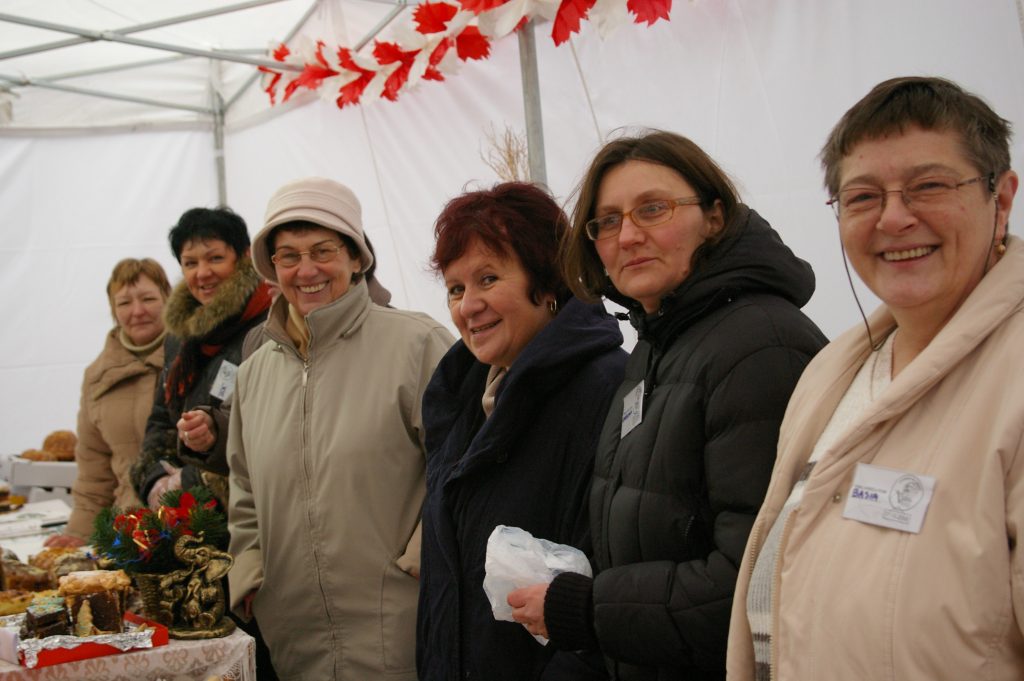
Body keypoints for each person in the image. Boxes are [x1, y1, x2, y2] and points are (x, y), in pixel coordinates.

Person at [727, 76, 1024, 679]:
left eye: (930, 186)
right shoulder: (830, 375)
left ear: (1003, 197)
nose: (894, 218)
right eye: (862, 198)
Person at [508, 130, 827, 680]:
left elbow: (760, 577)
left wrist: (584, 609)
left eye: (652, 209)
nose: (627, 235)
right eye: (607, 221)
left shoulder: (759, 346)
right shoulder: (660, 343)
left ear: (715, 216)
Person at [226, 177, 454, 680]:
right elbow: (244, 488)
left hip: (399, 626)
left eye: (323, 250)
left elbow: (461, 464)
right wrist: (251, 575)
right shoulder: (255, 373)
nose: (306, 270)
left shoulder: (416, 345)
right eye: (288, 256)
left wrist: (418, 562)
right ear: (273, 270)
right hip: (293, 635)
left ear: (356, 259)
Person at [416, 183, 628, 680]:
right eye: (455, 288)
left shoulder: (604, 389)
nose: (468, 306)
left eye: (488, 279)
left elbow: (610, 580)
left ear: (547, 282)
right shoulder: (465, 396)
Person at [130, 207, 272, 510]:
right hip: (185, 514)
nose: (202, 273)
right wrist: (156, 481)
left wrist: (191, 481)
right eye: (190, 263)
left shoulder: (270, 327)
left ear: (244, 256)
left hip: (249, 506)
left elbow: (266, 430)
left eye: (215, 258)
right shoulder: (179, 335)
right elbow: (162, 419)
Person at [45, 258, 171, 548]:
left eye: (148, 299)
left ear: (167, 299)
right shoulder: (97, 376)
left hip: (186, 526)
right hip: (127, 532)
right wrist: (79, 534)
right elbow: (94, 471)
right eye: (124, 303)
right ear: (113, 310)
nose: (137, 311)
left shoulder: (192, 359)